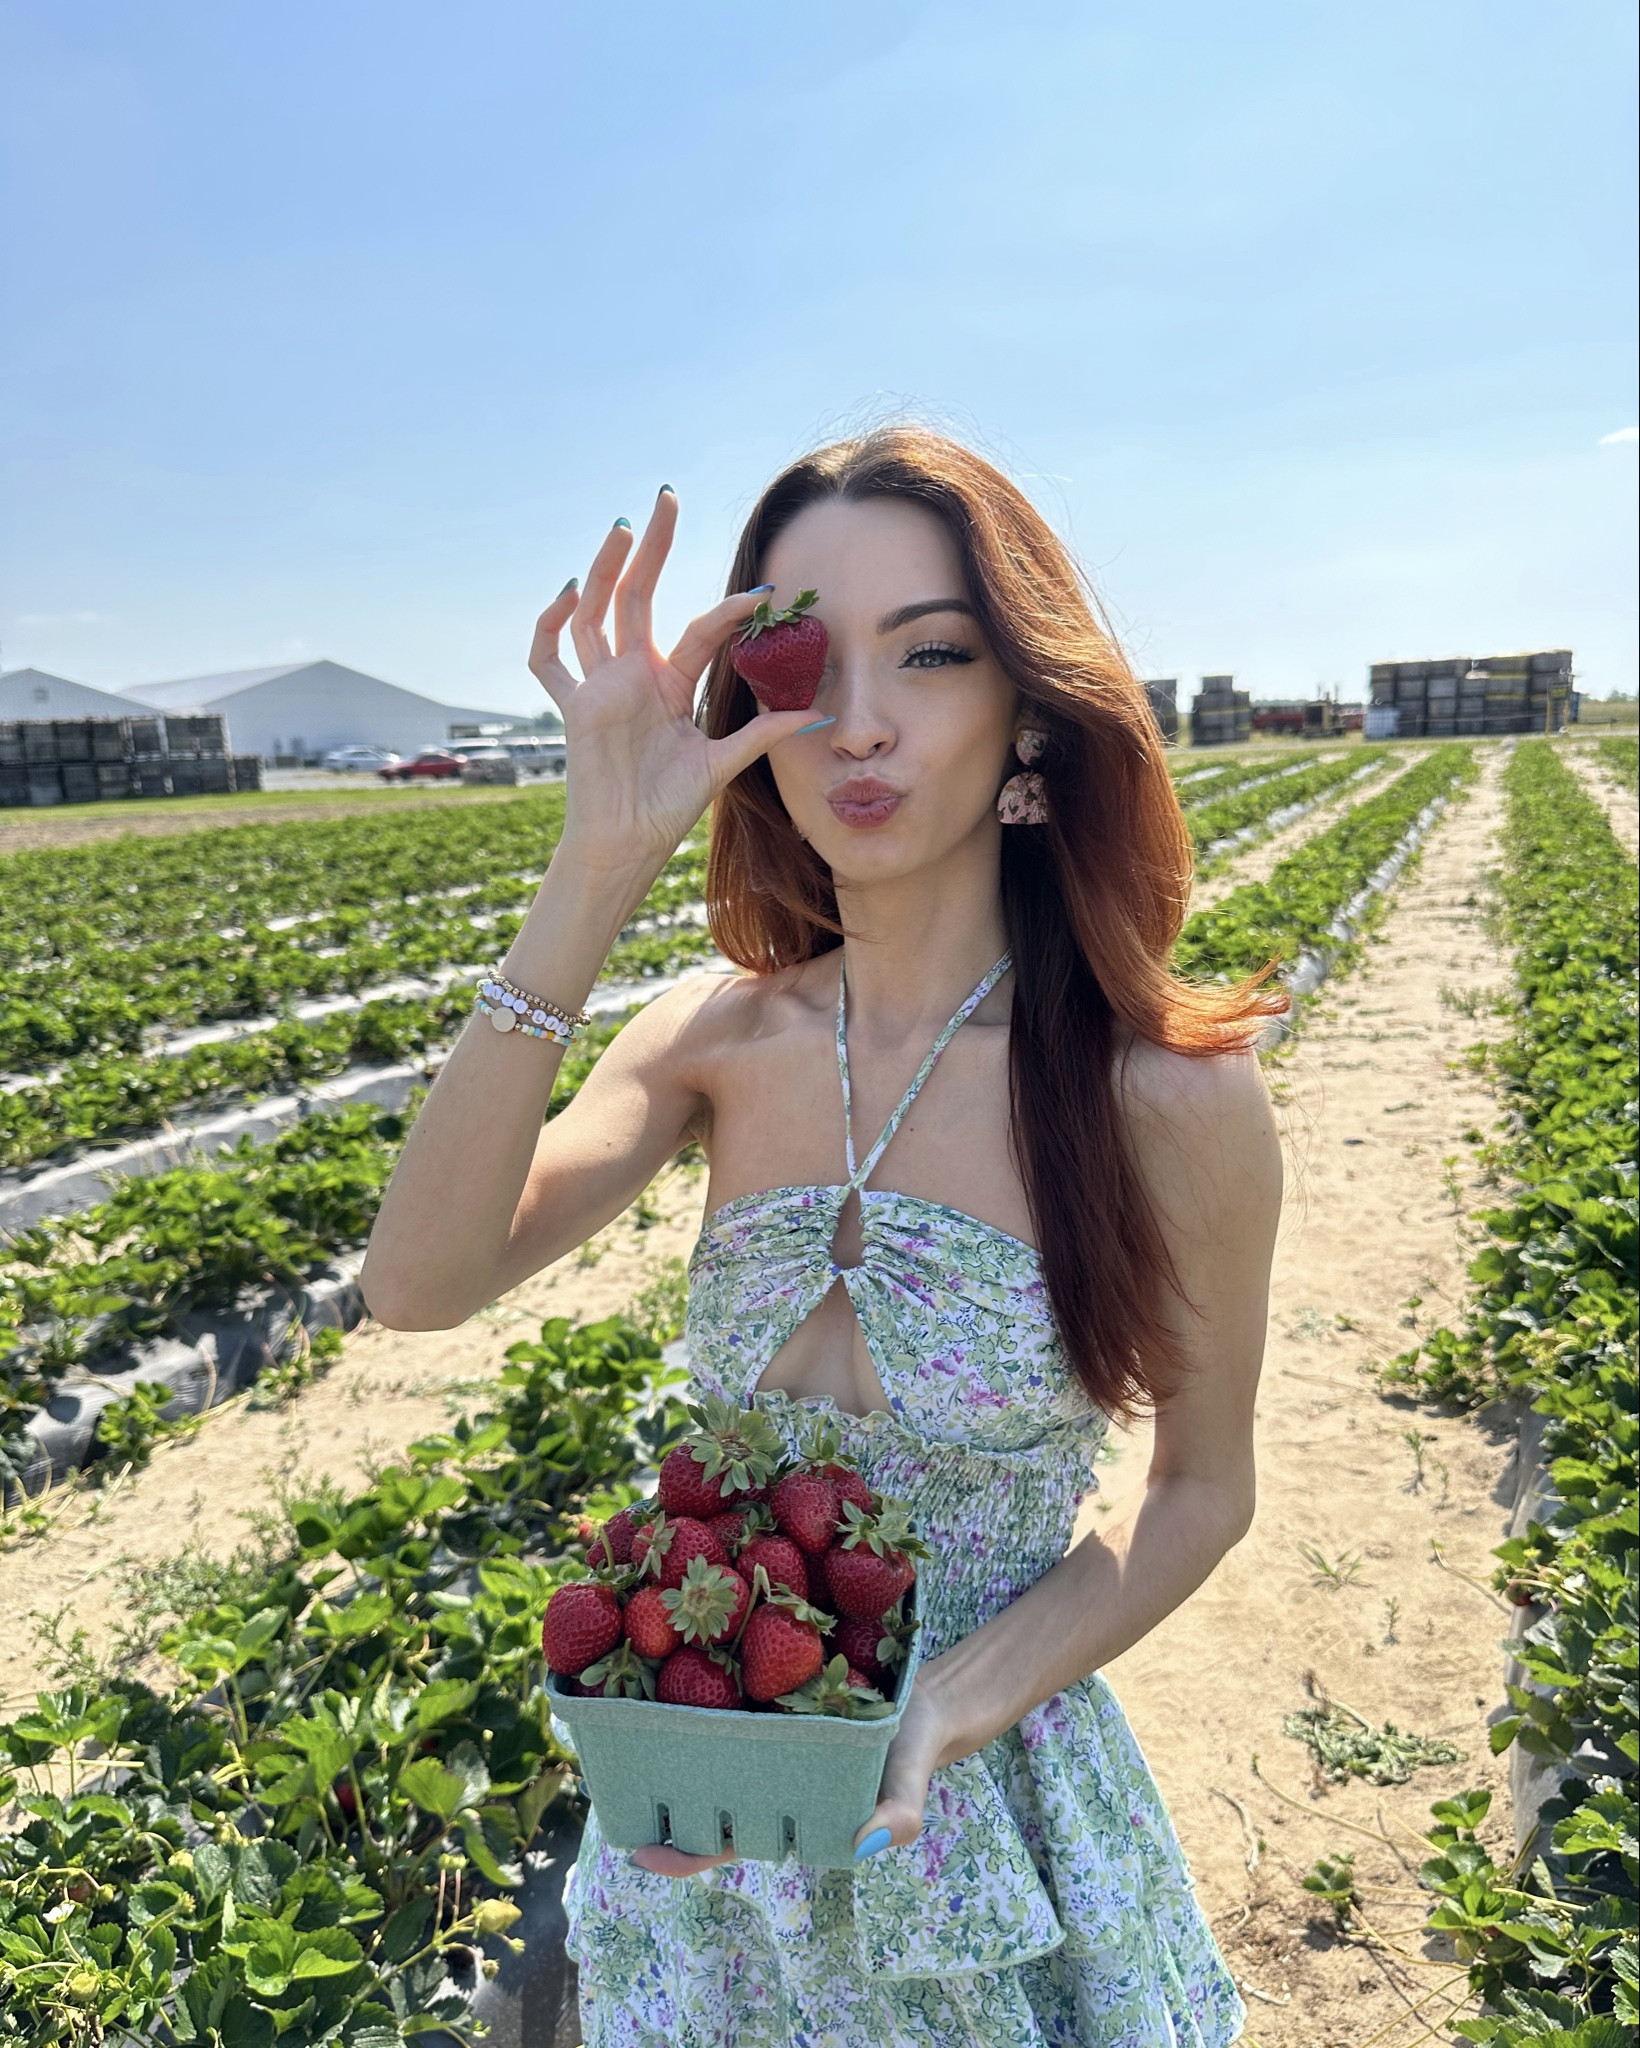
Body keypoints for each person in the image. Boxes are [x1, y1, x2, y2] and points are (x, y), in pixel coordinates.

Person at [362, 426, 1283, 2046]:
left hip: (983, 1816)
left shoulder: (1161, 1098)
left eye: (929, 655)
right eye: (804, 662)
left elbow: (1200, 1493)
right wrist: (594, 864)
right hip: (707, 1835)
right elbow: (416, 1285)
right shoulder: (713, 1040)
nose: (857, 721)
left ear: (1027, 711)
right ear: (751, 713)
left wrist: (948, 1707)